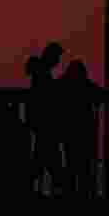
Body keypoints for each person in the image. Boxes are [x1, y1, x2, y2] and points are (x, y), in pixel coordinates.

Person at [59, 59, 101, 196]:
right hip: (84, 132)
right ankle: (85, 194)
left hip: (71, 132)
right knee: (85, 167)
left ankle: (70, 194)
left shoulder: (64, 85)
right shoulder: (85, 86)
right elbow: (101, 94)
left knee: (72, 164)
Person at [27, 42, 65, 193]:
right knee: (49, 161)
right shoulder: (43, 73)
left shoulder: (40, 73)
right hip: (46, 125)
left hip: (41, 124)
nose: (58, 61)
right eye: (57, 57)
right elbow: (45, 95)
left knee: (41, 159)